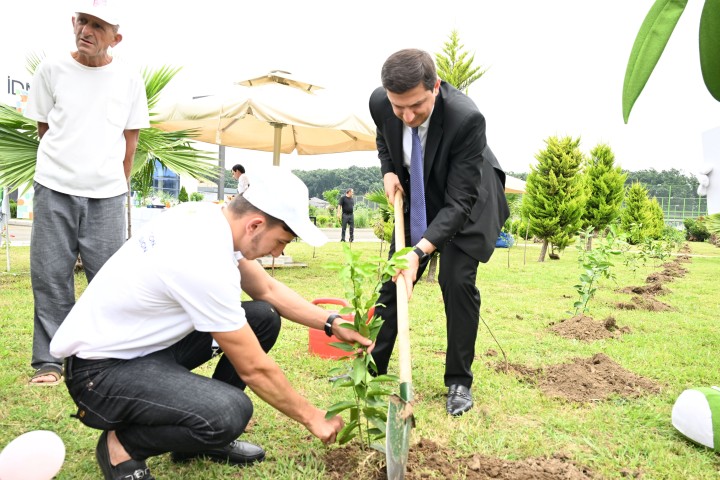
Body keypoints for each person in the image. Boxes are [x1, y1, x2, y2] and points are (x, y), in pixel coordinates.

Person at [49, 167, 372, 480]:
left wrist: (331, 322)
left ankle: (198, 441)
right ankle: (122, 447)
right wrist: (313, 417)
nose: (277, 253)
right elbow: (254, 368)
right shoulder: (202, 258)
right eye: (280, 242)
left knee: (263, 317)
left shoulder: (208, 219)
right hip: (100, 374)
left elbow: (267, 290)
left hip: (142, 348)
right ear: (256, 225)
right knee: (229, 413)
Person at [368, 48, 509, 416]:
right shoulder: (382, 103)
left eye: (416, 106)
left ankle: (459, 381)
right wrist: (387, 170)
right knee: (393, 278)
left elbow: (459, 203)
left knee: (456, 280)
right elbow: (385, 140)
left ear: (436, 87)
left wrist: (420, 253)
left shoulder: (466, 118)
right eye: (400, 109)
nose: (408, 116)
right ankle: (372, 367)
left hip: (471, 196)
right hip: (422, 190)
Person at [23, 0, 150, 385]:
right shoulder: (50, 69)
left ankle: (108, 352)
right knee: (49, 275)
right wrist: (62, 169)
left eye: (97, 25)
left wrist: (117, 185)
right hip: (53, 187)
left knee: (110, 279)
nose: (86, 31)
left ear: (116, 37)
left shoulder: (129, 79)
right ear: (72, 22)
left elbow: (131, 142)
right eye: (82, 21)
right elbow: (46, 128)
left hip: (107, 195)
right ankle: (49, 360)